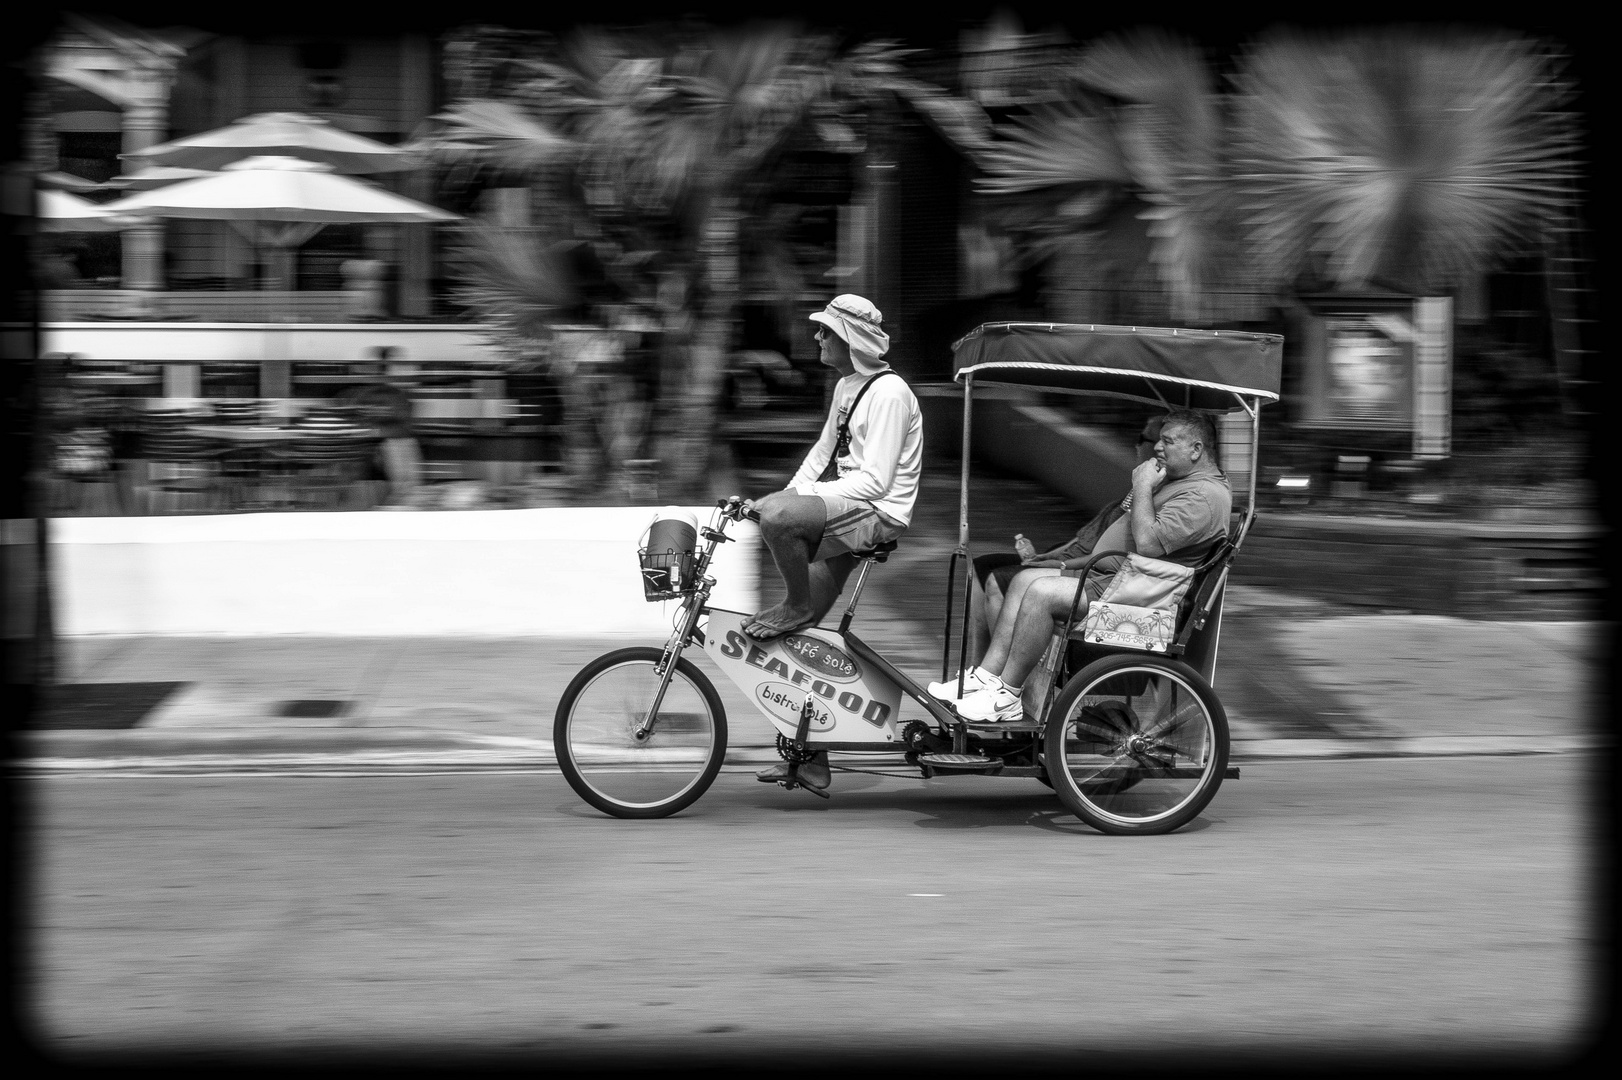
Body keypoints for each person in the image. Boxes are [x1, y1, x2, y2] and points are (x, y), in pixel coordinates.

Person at [935, 409, 1230, 723]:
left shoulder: (1204, 497)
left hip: (1142, 600)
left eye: (1169, 442)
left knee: (1040, 593)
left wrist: (1142, 485)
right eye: (1159, 440)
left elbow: (1148, 544)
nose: (1159, 447)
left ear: (1196, 449)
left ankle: (1007, 694)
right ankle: (987, 678)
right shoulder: (1182, 482)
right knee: (1023, 581)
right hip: (1116, 580)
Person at [748, 294, 923, 792]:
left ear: (850, 339)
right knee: (797, 642)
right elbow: (823, 451)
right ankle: (811, 757)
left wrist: (789, 506)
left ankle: (797, 603)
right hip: (850, 505)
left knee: (782, 524)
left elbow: (876, 482)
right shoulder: (848, 385)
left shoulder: (889, 394)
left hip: (878, 512)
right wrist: (784, 493)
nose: (818, 338)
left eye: (826, 331)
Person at [964, 414, 1166, 660]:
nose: (1141, 445)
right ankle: (976, 668)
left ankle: (999, 672)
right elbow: (1085, 537)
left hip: (1091, 573)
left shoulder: (1151, 500)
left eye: (1144, 438)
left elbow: (1108, 553)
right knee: (982, 566)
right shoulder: (1135, 493)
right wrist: (1047, 556)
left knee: (1002, 581)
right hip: (1074, 559)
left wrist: (1057, 563)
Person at [335, 347, 422, 508]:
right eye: (381, 366)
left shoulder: (396, 396)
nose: (384, 370)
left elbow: (404, 427)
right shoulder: (366, 395)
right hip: (372, 454)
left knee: (403, 496)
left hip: (392, 449)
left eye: (388, 365)